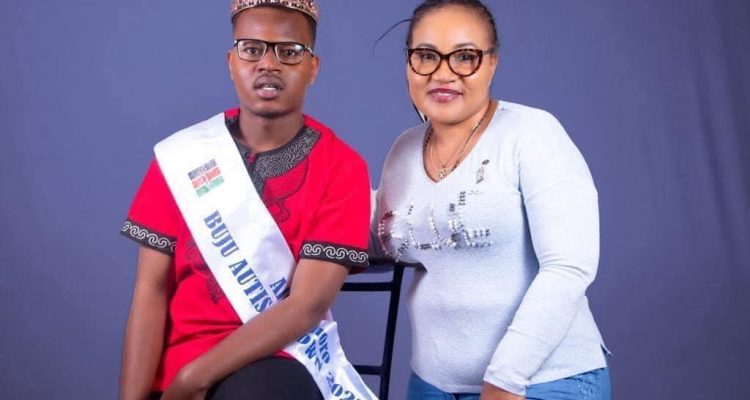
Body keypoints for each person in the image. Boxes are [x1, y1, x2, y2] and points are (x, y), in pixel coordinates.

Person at [119, 1, 375, 399]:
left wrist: (194, 380)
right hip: (174, 369)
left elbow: (307, 305)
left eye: (289, 52)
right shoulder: (182, 156)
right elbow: (150, 289)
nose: (268, 64)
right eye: (252, 49)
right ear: (231, 61)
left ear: (313, 67)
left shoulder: (343, 168)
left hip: (272, 364)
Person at [372, 1, 612, 399]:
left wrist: (505, 379)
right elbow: (382, 238)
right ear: (409, 63)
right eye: (426, 56)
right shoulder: (404, 150)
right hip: (431, 386)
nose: (443, 73)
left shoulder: (532, 133)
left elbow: (569, 267)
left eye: (465, 56)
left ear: (492, 63)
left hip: (539, 382)